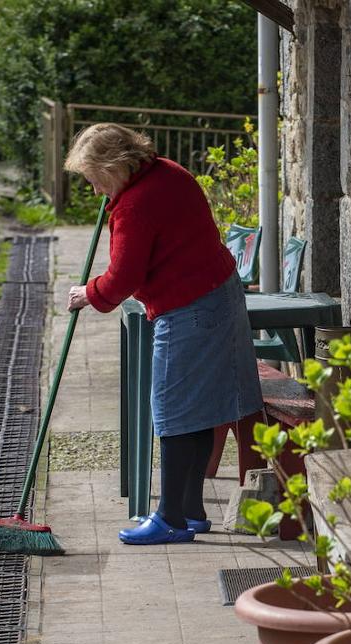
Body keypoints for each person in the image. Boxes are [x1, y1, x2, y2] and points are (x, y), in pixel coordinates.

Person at [63, 123, 262, 546]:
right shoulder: (170, 171)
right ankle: (191, 511)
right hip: (220, 294)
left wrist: (88, 292)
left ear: (114, 166)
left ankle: (170, 517)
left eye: (94, 179)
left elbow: (123, 277)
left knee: (172, 412)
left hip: (188, 307)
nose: (96, 190)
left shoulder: (135, 203)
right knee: (202, 408)